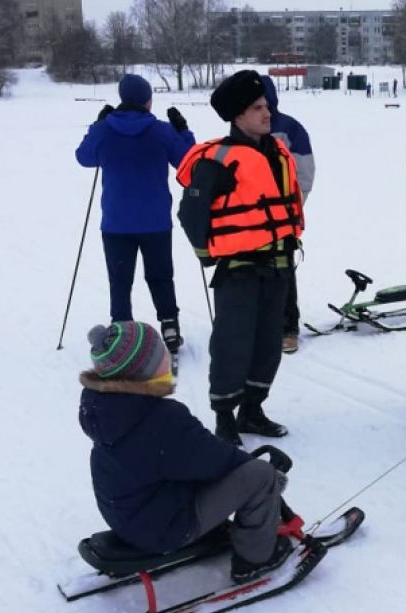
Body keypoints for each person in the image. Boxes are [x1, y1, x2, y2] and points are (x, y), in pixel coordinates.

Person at [78, 321, 292, 583]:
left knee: (202, 470)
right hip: (166, 528)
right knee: (260, 475)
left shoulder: (106, 409)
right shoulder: (160, 418)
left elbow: (190, 457)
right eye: (160, 355)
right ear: (143, 370)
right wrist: (265, 473)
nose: (167, 358)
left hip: (129, 519)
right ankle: (254, 559)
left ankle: (214, 529)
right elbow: (215, 459)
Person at [175, 70, 303, 449]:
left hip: (279, 267)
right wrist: (208, 254)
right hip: (239, 271)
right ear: (238, 115)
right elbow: (190, 214)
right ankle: (224, 417)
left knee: (268, 345)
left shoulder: (276, 153)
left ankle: (252, 409)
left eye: (267, 106)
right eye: (258, 108)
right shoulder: (217, 161)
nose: (267, 113)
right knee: (232, 344)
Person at [75, 74, 195, 354]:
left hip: (116, 222)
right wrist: (183, 130)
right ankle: (170, 326)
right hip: (155, 222)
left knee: (120, 279)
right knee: (160, 275)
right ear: (147, 100)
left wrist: (96, 125)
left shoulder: (104, 130)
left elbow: (84, 157)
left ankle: (121, 331)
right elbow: (189, 162)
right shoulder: (161, 131)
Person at [261, 75, 316, 355]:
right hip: (250, 218)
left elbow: (305, 172)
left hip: (282, 217)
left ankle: (288, 328)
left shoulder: (290, 129)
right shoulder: (243, 129)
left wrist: (295, 207)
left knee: (283, 272)